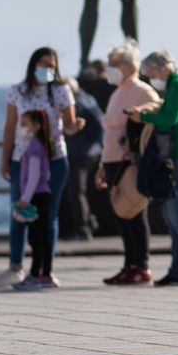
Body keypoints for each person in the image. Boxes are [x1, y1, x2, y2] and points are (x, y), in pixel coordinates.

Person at [0, 47, 85, 289]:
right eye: (43, 64)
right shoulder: (18, 91)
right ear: (33, 65)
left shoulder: (61, 90)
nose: (48, 69)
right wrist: (5, 159)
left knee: (48, 216)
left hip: (53, 159)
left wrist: (75, 127)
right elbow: (10, 126)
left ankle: (45, 270)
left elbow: (69, 124)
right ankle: (15, 266)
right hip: (23, 157)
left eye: (52, 65)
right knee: (19, 212)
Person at [128, 49, 178, 286]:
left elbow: (170, 119)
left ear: (164, 68)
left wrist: (145, 118)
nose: (152, 78)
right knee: (172, 216)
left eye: (151, 73)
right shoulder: (173, 86)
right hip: (175, 156)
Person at [96, 41, 160, 285]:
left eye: (113, 63)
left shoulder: (141, 90)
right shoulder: (117, 92)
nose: (109, 68)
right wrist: (102, 164)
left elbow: (154, 113)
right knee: (122, 214)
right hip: (112, 160)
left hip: (129, 162)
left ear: (128, 66)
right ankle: (129, 264)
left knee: (135, 211)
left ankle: (141, 265)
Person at [11, 110, 58, 290]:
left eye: (25, 124)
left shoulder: (34, 147)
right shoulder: (40, 145)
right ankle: (45, 274)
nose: (22, 128)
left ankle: (36, 274)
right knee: (43, 237)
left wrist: (25, 198)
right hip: (42, 195)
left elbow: (34, 176)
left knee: (36, 237)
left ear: (36, 127)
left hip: (37, 196)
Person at [62, 76, 104, 240]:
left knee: (76, 192)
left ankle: (83, 228)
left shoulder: (75, 104)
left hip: (79, 152)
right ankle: (89, 222)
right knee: (82, 191)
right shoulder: (88, 98)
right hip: (92, 152)